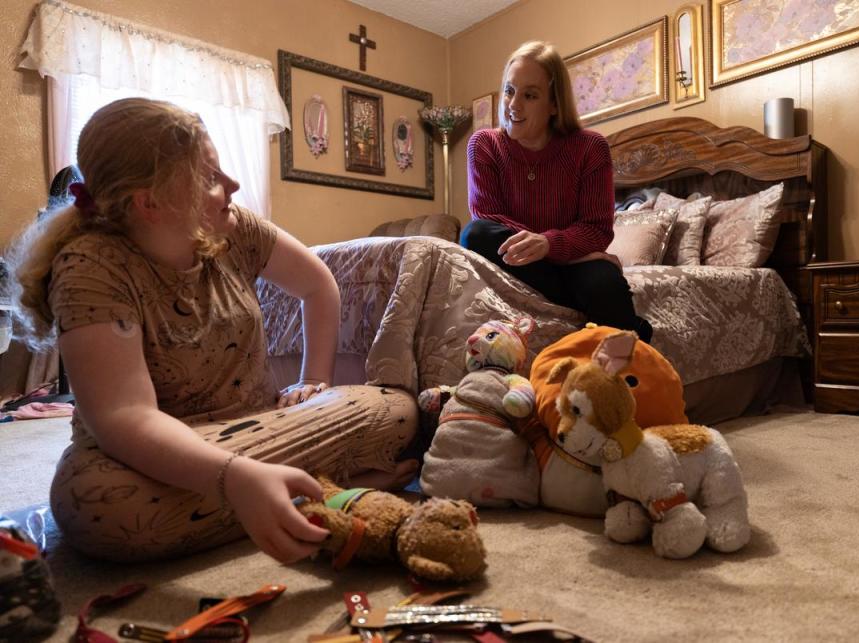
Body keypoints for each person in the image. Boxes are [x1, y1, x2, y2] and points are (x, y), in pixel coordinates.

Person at [5, 98, 418, 563]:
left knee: (399, 410)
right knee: (93, 503)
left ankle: (277, 493)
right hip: (155, 458)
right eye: (210, 178)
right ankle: (310, 487)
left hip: (265, 426)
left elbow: (319, 286)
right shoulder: (90, 267)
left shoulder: (233, 228)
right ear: (149, 202)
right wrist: (234, 477)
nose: (233, 185)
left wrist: (313, 381)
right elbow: (126, 419)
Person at [461, 41, 653, 343]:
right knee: (475, 234)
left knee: (604, 281)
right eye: (510, 91)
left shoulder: (590, 148)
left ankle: (624, 367)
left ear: (554, 104)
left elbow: (596, 229)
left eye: (530, 95)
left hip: (567, 262)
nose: (514, 104)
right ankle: (632, 327)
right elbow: (487, 217)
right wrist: (555, 251)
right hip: (527, 261)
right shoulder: (485, 144)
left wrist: (549, 245)